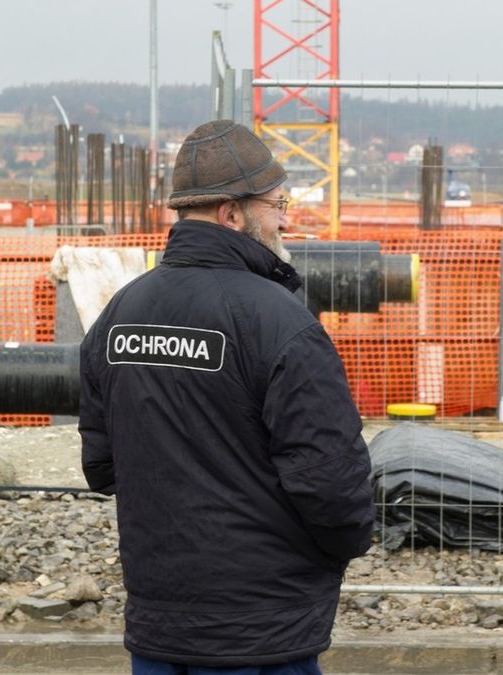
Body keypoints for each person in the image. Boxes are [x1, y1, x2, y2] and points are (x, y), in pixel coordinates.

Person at [79, 120, 374, 674]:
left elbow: (102, 465)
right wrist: (342, 545)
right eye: (277, 203)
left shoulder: (120, 314)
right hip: (262, 630)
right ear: (232, 214)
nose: (285, 217)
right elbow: (330, 480)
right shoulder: (282, 321)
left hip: (160, 620)